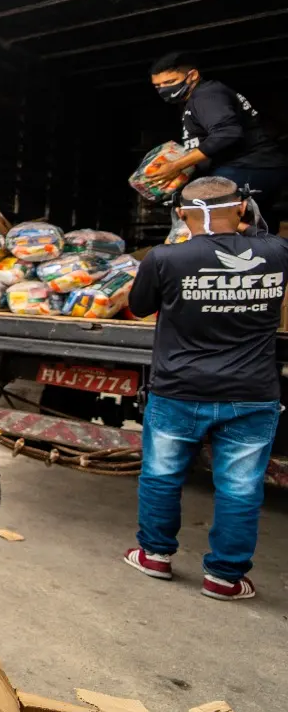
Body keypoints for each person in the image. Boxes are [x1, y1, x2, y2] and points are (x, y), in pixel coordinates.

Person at [124, 176, 286, 602]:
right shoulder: (277, 252)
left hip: (179, 389)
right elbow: (260, 235)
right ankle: (224, 578)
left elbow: (138, 307)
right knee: (240, 488)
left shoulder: (165, 258)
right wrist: (246, 222)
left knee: (162, 476)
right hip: (251, 393)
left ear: (181, 214)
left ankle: (154, 555)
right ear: (243, 208)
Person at [148, 53, 288, 231]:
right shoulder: (197, 99)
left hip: (249, 166)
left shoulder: (207, 95)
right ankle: (263, 242)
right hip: (255, 167)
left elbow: (227, 134)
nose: (163, 89)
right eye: (158, 86)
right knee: (255, 226)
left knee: (202, 214)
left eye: (170, 82)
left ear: (192, 75)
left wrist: (177, 165)